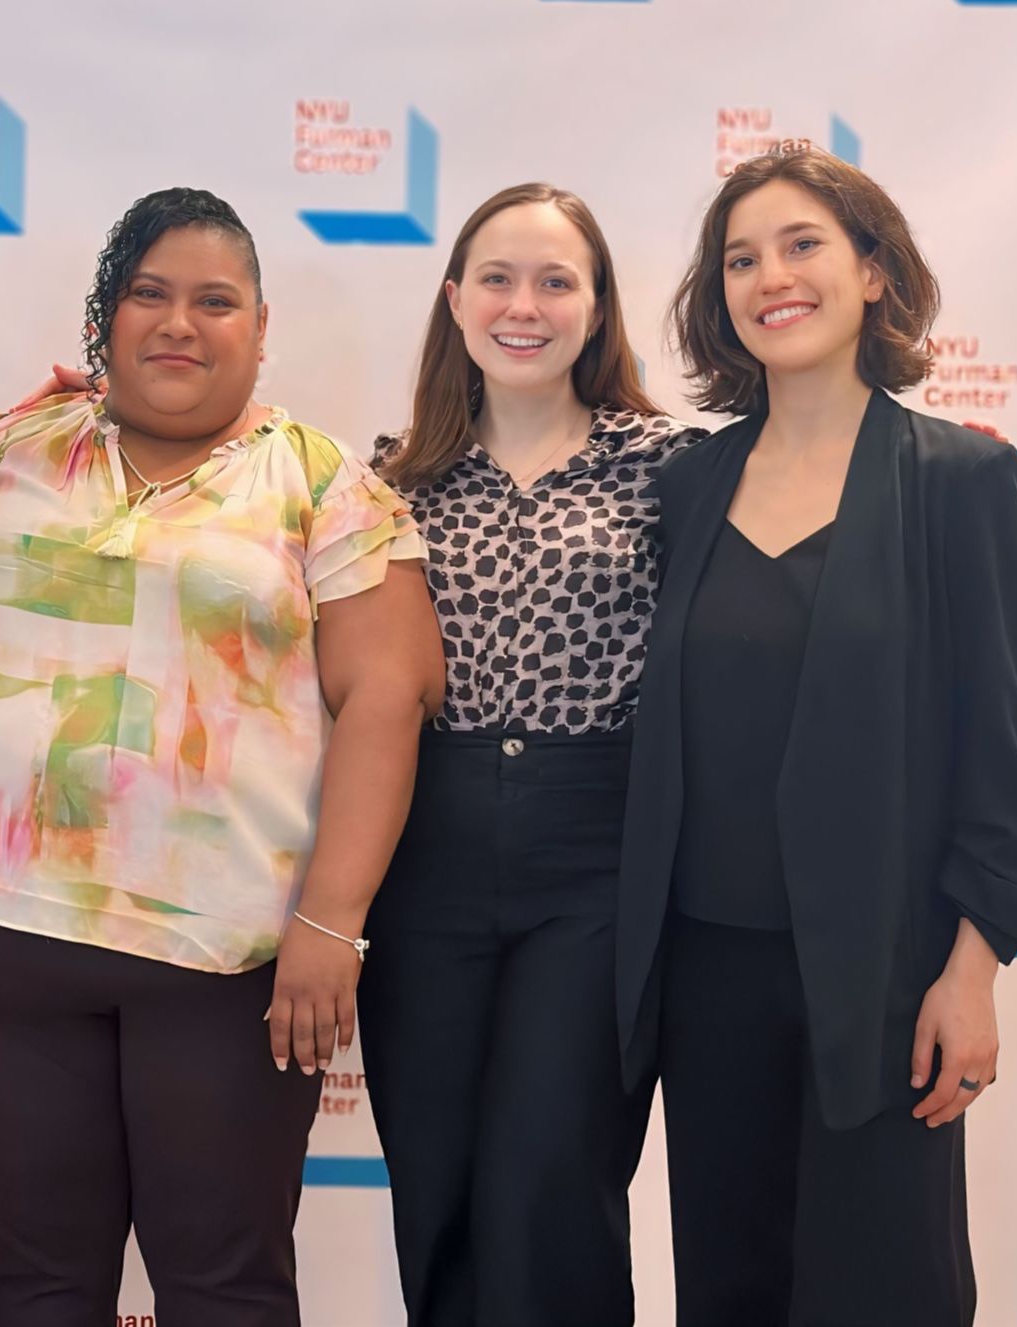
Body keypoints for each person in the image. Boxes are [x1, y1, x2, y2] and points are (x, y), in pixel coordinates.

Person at [0, 187, 444, 1327]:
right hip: (0, 943)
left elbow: (386, 700)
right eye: (148, 293)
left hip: (230, 962)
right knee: (36, 1287)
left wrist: (329, 923)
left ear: (259, 324)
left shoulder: (317, 477)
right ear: (104, 319)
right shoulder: (6, 450)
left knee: (224, 1289)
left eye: (214, 300)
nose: (178, 323)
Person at [616, 146, 1017, 1326]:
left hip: (885, 973)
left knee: (883, 1292)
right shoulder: (687, 483)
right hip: (705, 977)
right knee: (730, 1288)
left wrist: (971, 970)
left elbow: (1003, 752)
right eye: (739, 258)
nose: (770, 277)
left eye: (801, 244)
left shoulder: (958, 476)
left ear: (869, 270)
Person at [358, 183, 703, 1326]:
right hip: (422, 855)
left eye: (556, 280)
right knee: (438, 1182)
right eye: (497, 278)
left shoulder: (672, 471)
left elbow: (816, 495)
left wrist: (944, 469)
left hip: (596, 862)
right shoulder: (380, 482)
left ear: (596, 309)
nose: (524, 304)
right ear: (453, 299)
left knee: (550, 1183)